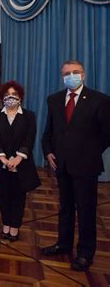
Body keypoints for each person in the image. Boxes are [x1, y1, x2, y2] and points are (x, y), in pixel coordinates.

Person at [41, 60, 110, 271]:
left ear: (84, 74)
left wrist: (87, 153)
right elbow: (49, 132)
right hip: (61, 165)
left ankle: (85, 253)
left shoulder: (100, 100)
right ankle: (63, 244)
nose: (71, 75)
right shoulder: (54, 100)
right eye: (67, 73)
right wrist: (48, 152)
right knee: (65, 208)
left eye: (75, 72)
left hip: (86, 165)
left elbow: (106, 134)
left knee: (86, 210)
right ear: (62, 76)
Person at [0, 81, 40, 242]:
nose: (11, 97)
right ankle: (6, 224)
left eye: (14, 94)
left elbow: (29, 139)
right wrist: (3, 158)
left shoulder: (29, 116)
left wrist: (18, 158)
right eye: (7, 94)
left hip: (21, 165)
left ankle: (15, 227)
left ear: (20, 97)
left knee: (18, 197)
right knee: (4, 197)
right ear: (2, 98)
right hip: (0, 165)